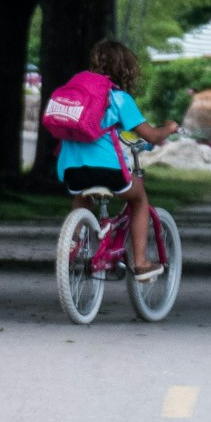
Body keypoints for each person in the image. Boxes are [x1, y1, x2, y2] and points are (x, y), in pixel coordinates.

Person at [56, 39, 180, 280]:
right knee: (139, 198)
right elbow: (152, 135)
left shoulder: (77, 92)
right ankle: (142, 262)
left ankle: (72, 245)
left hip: (72, 169)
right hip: (107, 171)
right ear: (125, 69)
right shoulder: (117, 98)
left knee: (83, 196)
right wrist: (169, 127)